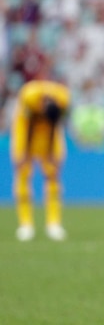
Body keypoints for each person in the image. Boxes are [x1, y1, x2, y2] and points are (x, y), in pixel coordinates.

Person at [11, 79, 71, 241]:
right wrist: (23, 153)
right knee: (23, 173)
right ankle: (26, 224)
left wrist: (52, 152)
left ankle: (53, 223)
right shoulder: (29, 95)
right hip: (25, 130)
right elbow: (28, 125)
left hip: (49, 133)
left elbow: (54, 123)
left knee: (53, 174)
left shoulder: (63, 97)